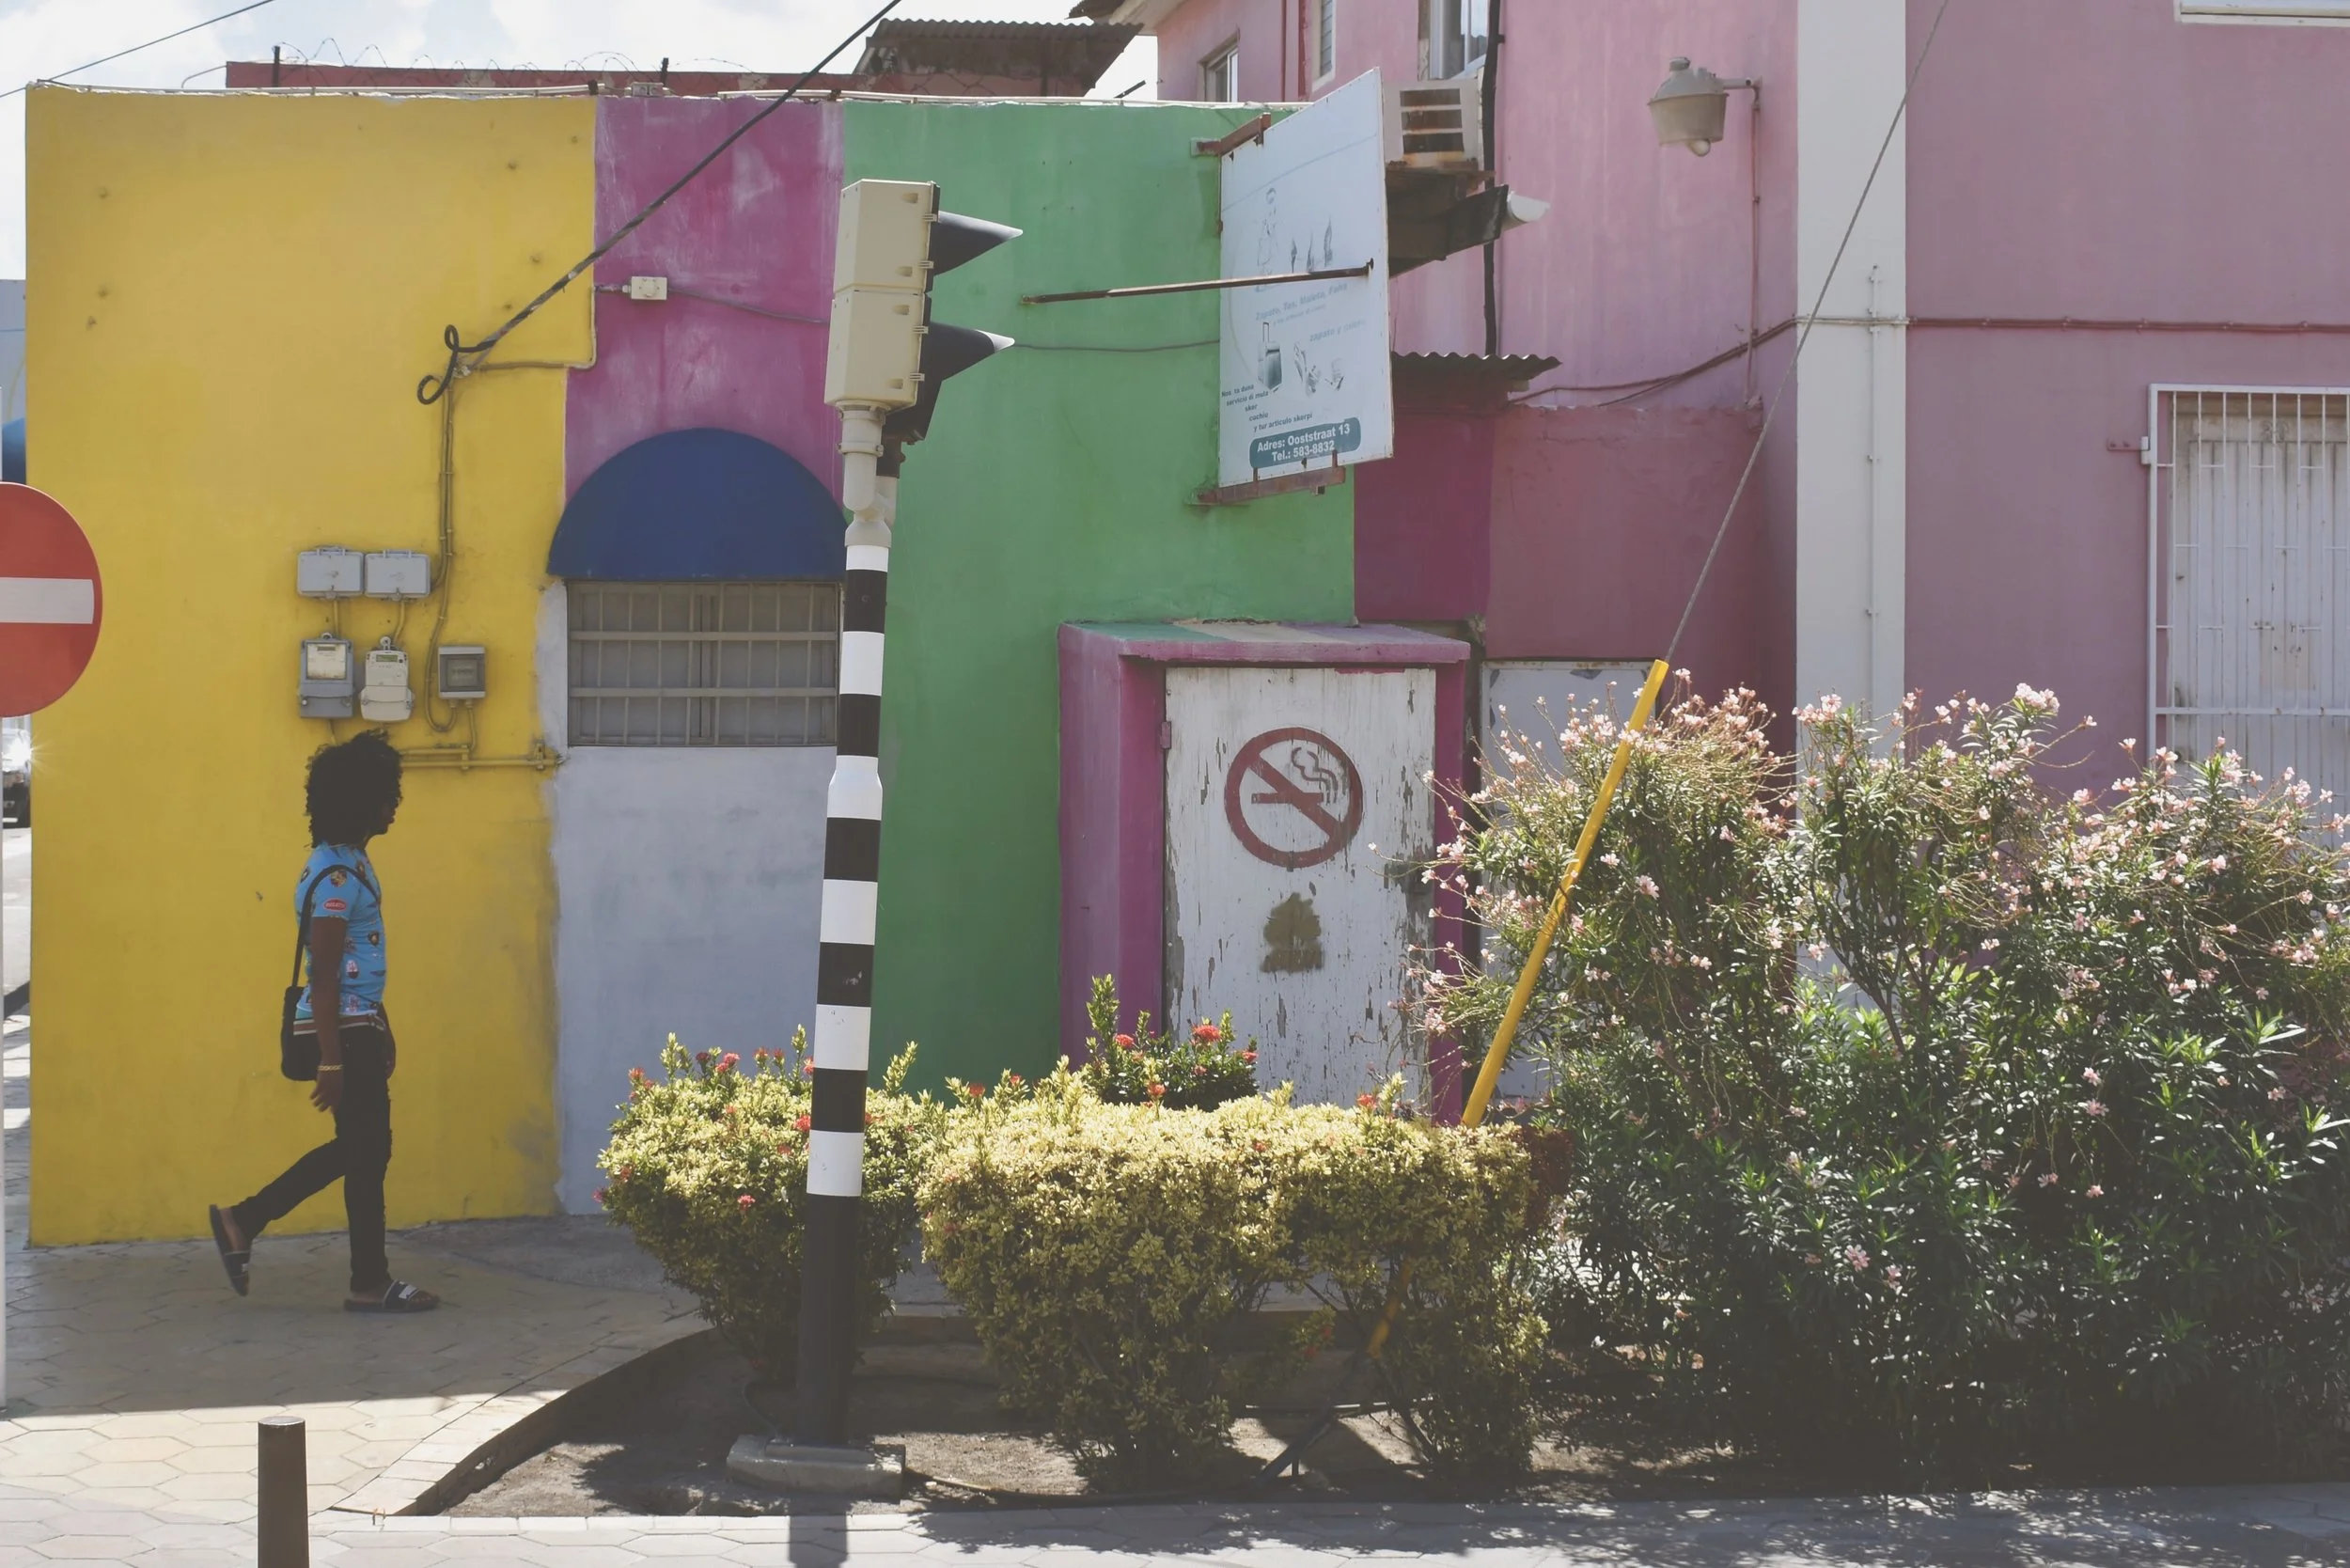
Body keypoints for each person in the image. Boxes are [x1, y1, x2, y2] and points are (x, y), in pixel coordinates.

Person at [209, 731, 438, 1313]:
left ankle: (366, 1280)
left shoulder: (351, 860)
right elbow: (326, 973)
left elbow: (359, 968)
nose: (396, 805)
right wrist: (333, 1058)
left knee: (366, 1151)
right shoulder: (335, 877)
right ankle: (246, 1219)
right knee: (365, 1147)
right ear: (359, 801)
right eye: (387, 795)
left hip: (358, 1027)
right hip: (337, 1032)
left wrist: (382, 1023)